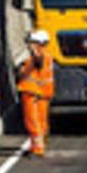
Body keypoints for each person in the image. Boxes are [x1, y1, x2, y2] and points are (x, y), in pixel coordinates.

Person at [17, 29, 54, 157]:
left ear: (39, 43)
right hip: (42, 93)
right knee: (41, 120)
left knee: (32, 120)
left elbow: (38, 61)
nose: (29, 45)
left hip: (32, 92)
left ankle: (38, 148)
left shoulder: (39, 55)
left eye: (32, 42)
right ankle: (37, 145)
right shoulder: (47, 55)